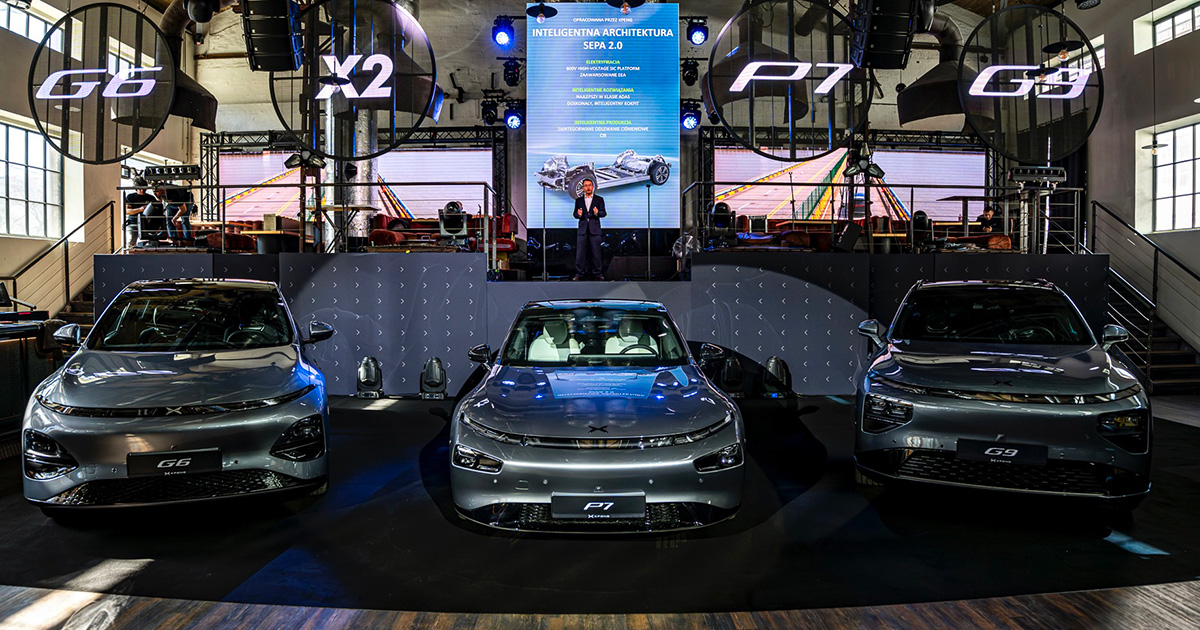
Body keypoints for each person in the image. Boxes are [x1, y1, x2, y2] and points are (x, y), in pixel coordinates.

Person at [572, 178, 606, 281]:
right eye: (586, 186)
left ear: (593, 187)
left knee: (596, 253)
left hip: (594, 230)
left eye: (590, 185)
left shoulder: (599, 199)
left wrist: (597, 213)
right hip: (582, 230)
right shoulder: (578, 200)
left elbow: (603, 213)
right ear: (583, 188)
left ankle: (597, 273)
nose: (588, 187)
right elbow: (575, 214)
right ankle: (579, 274)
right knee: (580, 254)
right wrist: (578, 214)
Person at [123, 178, 156, 245]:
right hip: (133, 223)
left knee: (151, 242)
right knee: (131, 242)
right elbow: (127, 211)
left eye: (144, 188)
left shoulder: (151, 198)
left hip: (148, 224)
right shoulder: (131, 197)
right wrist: (140, 209)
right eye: (140, 189)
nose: (142, 190)